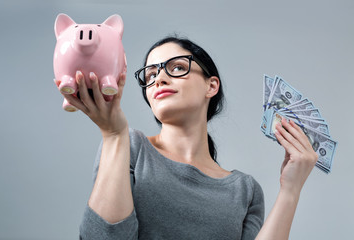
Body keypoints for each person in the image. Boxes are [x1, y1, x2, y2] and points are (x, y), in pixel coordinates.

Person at [55, 36, 318, 239]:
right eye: (150, 75)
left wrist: (290, 190)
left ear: (211, 85)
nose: (158, 79)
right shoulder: (129, 146)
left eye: (177, 67)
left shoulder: (245, 190)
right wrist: (114, 136)